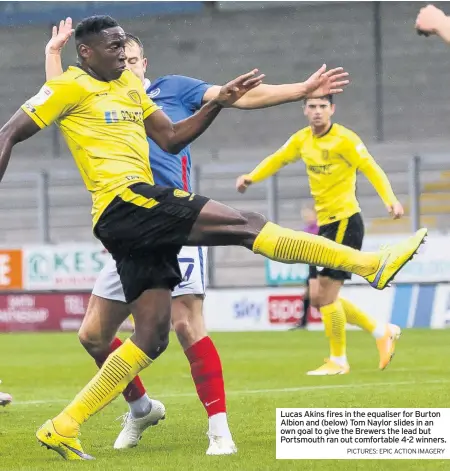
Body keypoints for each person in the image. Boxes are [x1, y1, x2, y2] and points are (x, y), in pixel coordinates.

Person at [0, 15, 425, 461]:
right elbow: (9, 132)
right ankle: (369, 265)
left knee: (152, 336)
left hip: (140, 216)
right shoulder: (69, 87)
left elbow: (171, 139)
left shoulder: (129, 88)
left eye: (125, 46)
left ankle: (63, 426)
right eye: (112, 47)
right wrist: (51, 55)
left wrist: (218, 101)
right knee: (248, 224)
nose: (122, 53)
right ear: (85, 53)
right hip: (125, 203)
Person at [236, 94, 407, 376]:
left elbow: (371, 168)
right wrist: (251, 177)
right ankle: (381, 330)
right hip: (325, 226)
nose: (317, 111)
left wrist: (390, 199)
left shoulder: (345, 139)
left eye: (322, 106)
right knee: (317, 297)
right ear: (305, 110)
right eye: (312, 106)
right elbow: (278, 159)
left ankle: (339, 360)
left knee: (326, 297)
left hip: (345, 222)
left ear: (332, 109)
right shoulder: (302, 140)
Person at [291, 205, 319, 329]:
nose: (307, 218)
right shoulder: (306, 230)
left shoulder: (320, 228)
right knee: (308, 295)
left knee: (317, 296)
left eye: (308, 215)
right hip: (312, 265)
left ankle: (303, 322)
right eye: (305, 217)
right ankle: (303, 322)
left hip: (322, 264)